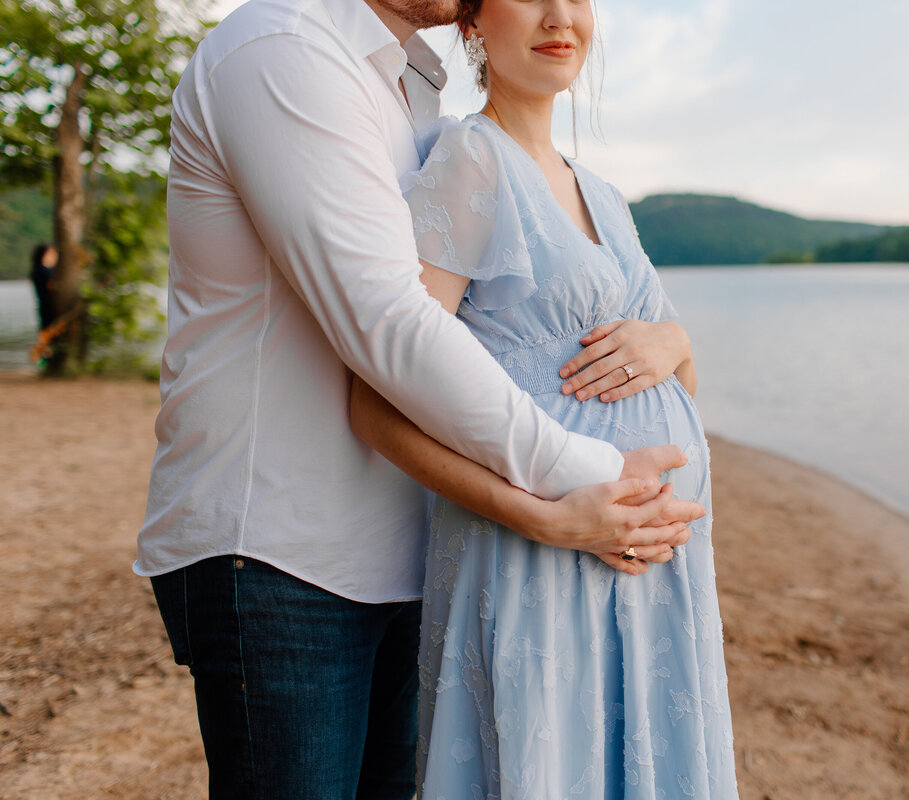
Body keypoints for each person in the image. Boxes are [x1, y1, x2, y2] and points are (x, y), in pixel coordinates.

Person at [135, 0, 702, 797]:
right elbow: (389, 326)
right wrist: (588, 478)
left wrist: (674, 341)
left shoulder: (413, 93)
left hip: (410, 544)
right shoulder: (285, 50)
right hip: (276, 548)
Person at [348, 0, 739, 795]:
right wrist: (544, 517)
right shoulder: (468, 161)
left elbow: (682, 388)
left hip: (653, 569)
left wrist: (679, 342)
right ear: (471, 23)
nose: (561, 15)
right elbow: (378, 401)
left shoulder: (606, 196)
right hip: (538, 556)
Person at [29, 244, 58, 331]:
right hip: (49, 307)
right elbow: (50, 286)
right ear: (44, 255)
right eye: (52, 254)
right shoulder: (44, 270)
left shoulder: (37, 269)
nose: (55, 257)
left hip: (43, 307)